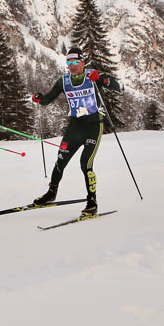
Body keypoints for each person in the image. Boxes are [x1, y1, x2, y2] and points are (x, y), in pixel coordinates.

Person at [29, 48, 122, 216]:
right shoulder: (64, 81)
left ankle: (92, 202)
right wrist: (39, 98)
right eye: (68, 63)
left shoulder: (93, 75)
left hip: (94, 126)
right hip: (75, 126)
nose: (72, 66)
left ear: (82, 62)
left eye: (75, 62)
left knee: (85, 163)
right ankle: (51, 193)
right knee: (60, 160)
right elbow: (47, 99)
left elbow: (118, 87)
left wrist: (103, 79)